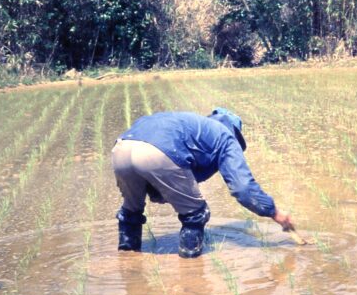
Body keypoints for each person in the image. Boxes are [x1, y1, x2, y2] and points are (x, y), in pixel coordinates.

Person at [111, 108, 294, 258]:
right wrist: (274, 212)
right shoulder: (226, 137)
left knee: (131, 210)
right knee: (196, 214)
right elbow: (243, 188)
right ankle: (191, 270)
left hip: (121, 148)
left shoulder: (193, 124)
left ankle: (127, 261)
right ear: (235, 131)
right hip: (159, 152)